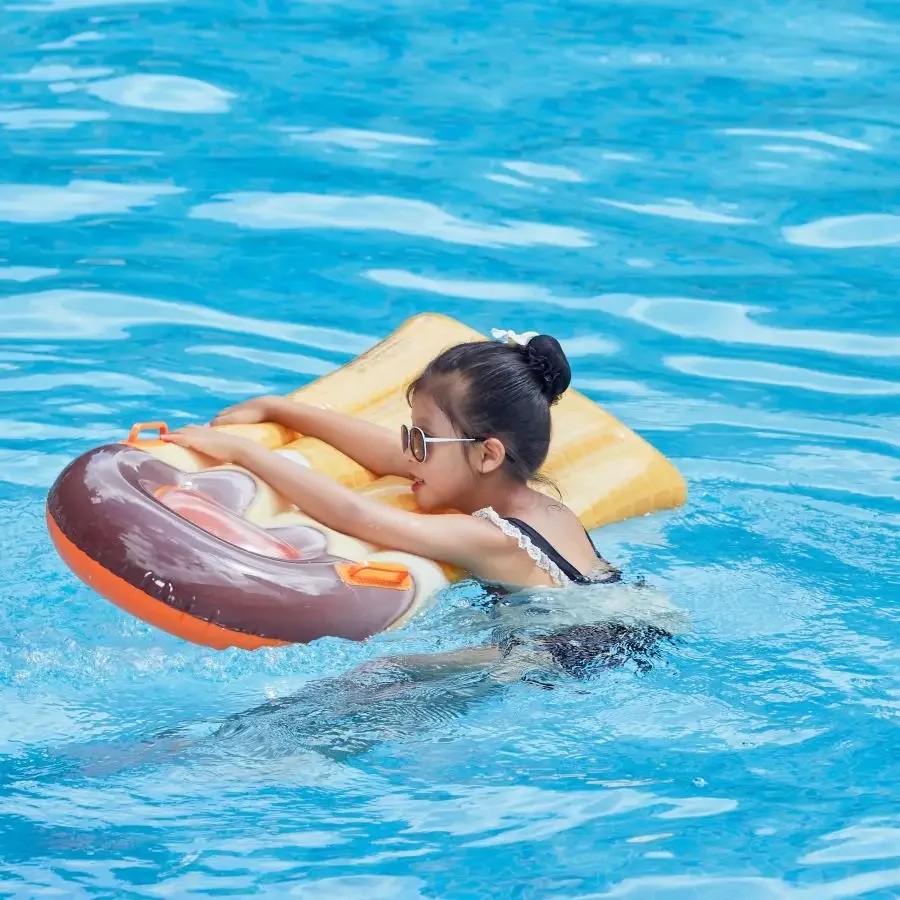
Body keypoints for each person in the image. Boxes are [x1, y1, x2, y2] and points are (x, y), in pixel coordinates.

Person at [161, 331, 621, 591]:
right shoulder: (540, 505)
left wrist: (245, 452)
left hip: (566, 656)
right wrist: (279, 409)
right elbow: (386, 452)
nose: (408, 452)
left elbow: (355, 515)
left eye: (421, 438)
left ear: (487, 454)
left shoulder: (490, 537)